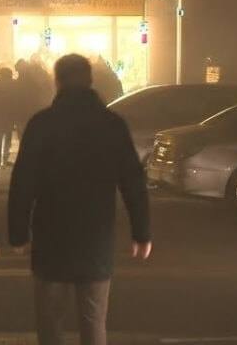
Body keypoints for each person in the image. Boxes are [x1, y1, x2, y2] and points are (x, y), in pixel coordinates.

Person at [8, 54, 152, 345]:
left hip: (52, 235)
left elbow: (23, 182)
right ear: (90, 81)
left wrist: (18, 233)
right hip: (96, 236)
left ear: (57, 81)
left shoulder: (41, 124)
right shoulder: (112, 125)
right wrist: (142, 233)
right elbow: (133, 182)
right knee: (93, 319)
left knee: (50, 320)